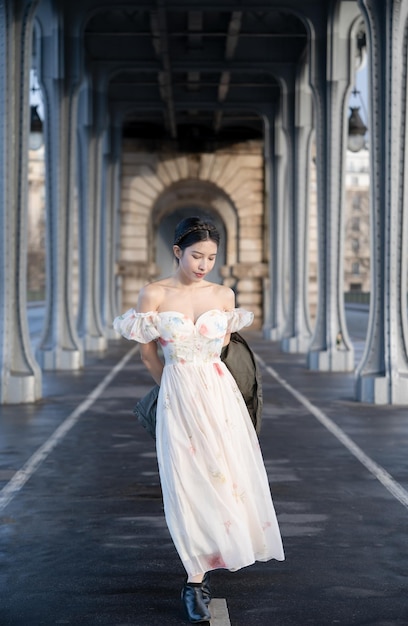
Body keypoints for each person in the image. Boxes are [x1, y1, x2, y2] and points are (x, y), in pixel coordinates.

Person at [113, 216, 284, 623]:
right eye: (196, 255)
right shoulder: (153, 294)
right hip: (177, 392)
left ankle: (218, 551)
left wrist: (199, 377)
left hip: (219, 392)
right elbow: (148, 354)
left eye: (210, 257)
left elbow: (221, 346)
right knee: (185, 480)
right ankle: (194, 578)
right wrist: (173, 386)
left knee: (225, 474)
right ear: (177, 252)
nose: (204, 264)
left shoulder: (224, 295)